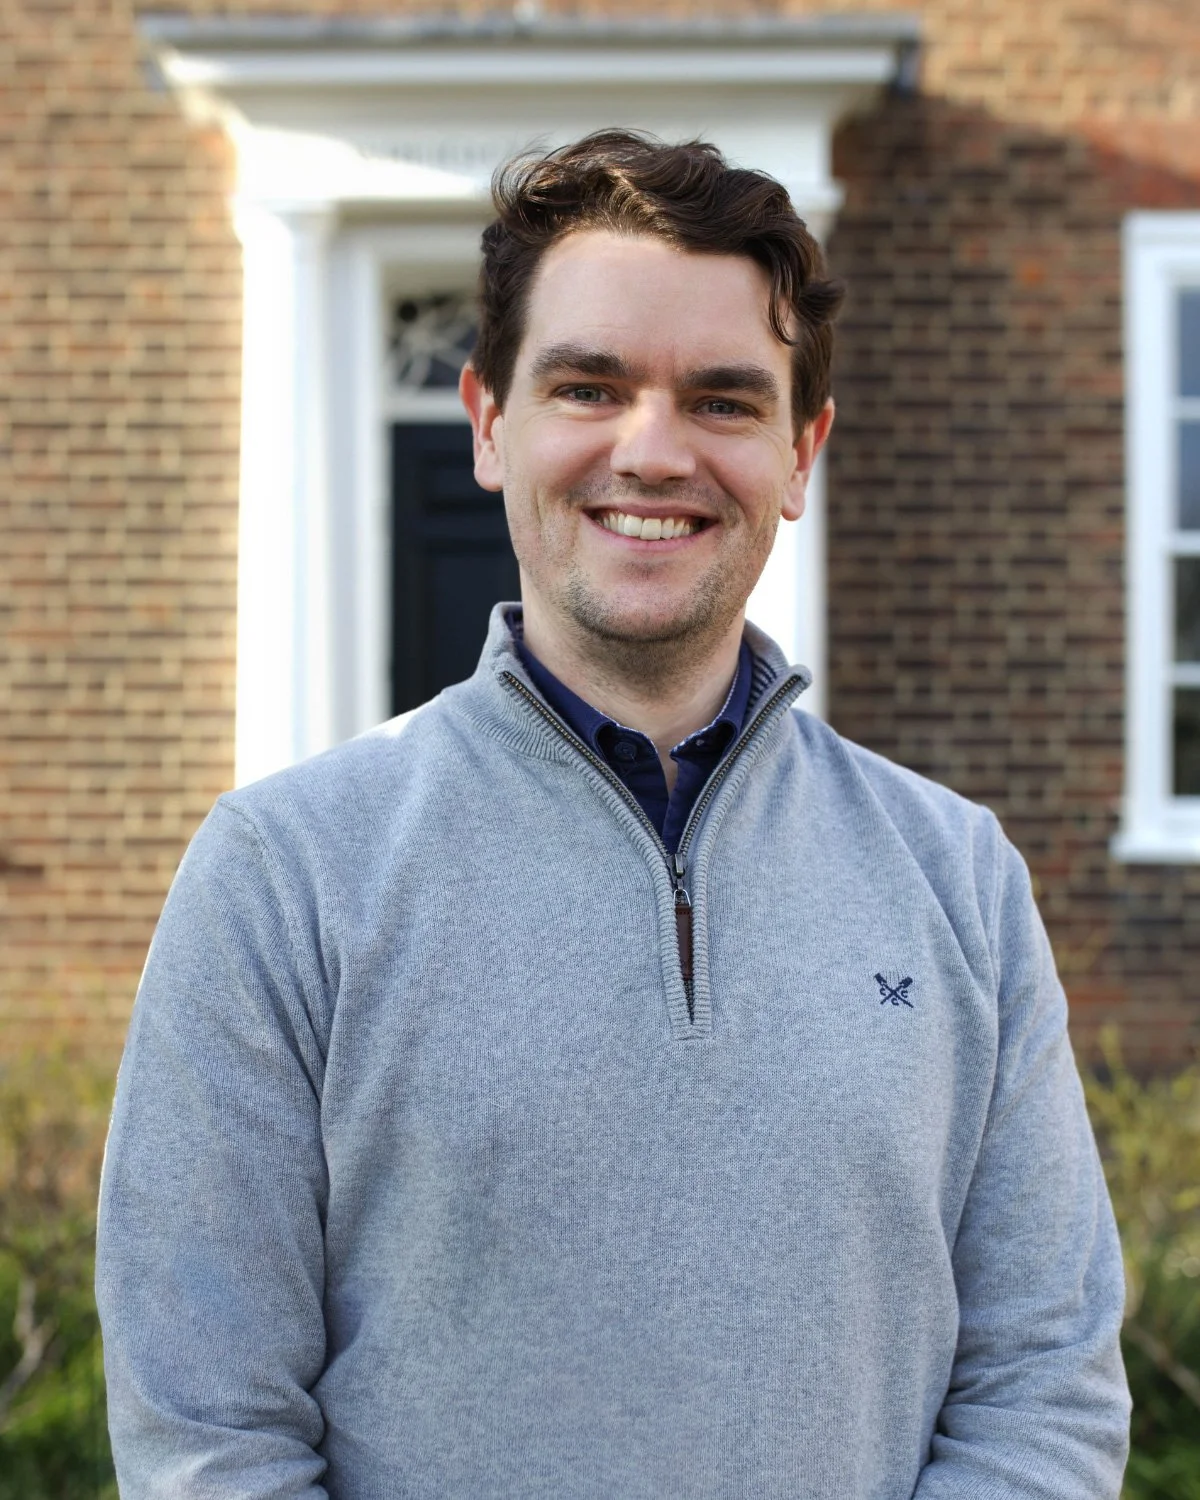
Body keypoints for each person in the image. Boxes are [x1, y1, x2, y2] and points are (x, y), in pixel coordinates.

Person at [96, 130, 1130, 1499]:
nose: (652, 451)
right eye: (589, 386)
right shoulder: (281, 877)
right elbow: (208, 1433)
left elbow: (1044, 1389)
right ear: (488, 424)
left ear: (801, 454)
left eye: (723, 400)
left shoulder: (959, 880)